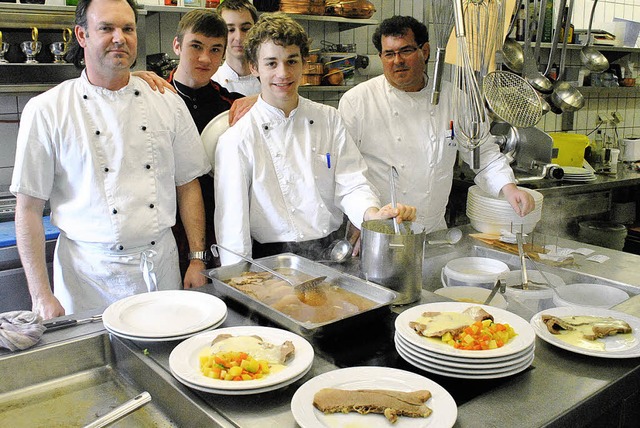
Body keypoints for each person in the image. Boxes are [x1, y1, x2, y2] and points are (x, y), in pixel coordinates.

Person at [10, 0, 211, 319]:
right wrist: (41, 295)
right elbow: (29, 208)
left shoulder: (166, 101)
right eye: (106, 28)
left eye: (128, 28)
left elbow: (188, 185)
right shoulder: (48, 110)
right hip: (87, 280)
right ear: (81, 35)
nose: (120, 37)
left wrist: (198, 258)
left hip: (160, 269)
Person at [214, 13, 416, 266]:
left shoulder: (328, 119)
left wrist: (371, 214)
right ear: (254, 67)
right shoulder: (237, 139)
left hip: (333, 254)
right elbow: (232, 225)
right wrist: (238, 282)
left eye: (291, 61)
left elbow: (352, 182)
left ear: (304, 63)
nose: (283, 73)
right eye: (271, 63)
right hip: (271, 264)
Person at [338, 16, 535, 235]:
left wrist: (509, 188)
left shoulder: (455, 99)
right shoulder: (357, 101)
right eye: (389, 54)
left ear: (426, 51)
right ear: (381, 57)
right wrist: (366, 215)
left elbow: (482, 152)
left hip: (433, 230)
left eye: (406, 51)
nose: (397, 61)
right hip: (380, 230)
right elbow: (347, 173)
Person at [166, 8, 246, 274]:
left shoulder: (232, 106)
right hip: (166, 229)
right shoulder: (154, 98)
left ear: (223, 55)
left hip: (219, 228)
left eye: (215, 50)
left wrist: (260, 99)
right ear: (177, 45)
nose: (204, 58)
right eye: (196, 46)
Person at [212, 0, 262, 96]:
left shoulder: (270, 81)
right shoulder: (211, 82)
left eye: (245, 29)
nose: (239, 37)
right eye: (230, 30)